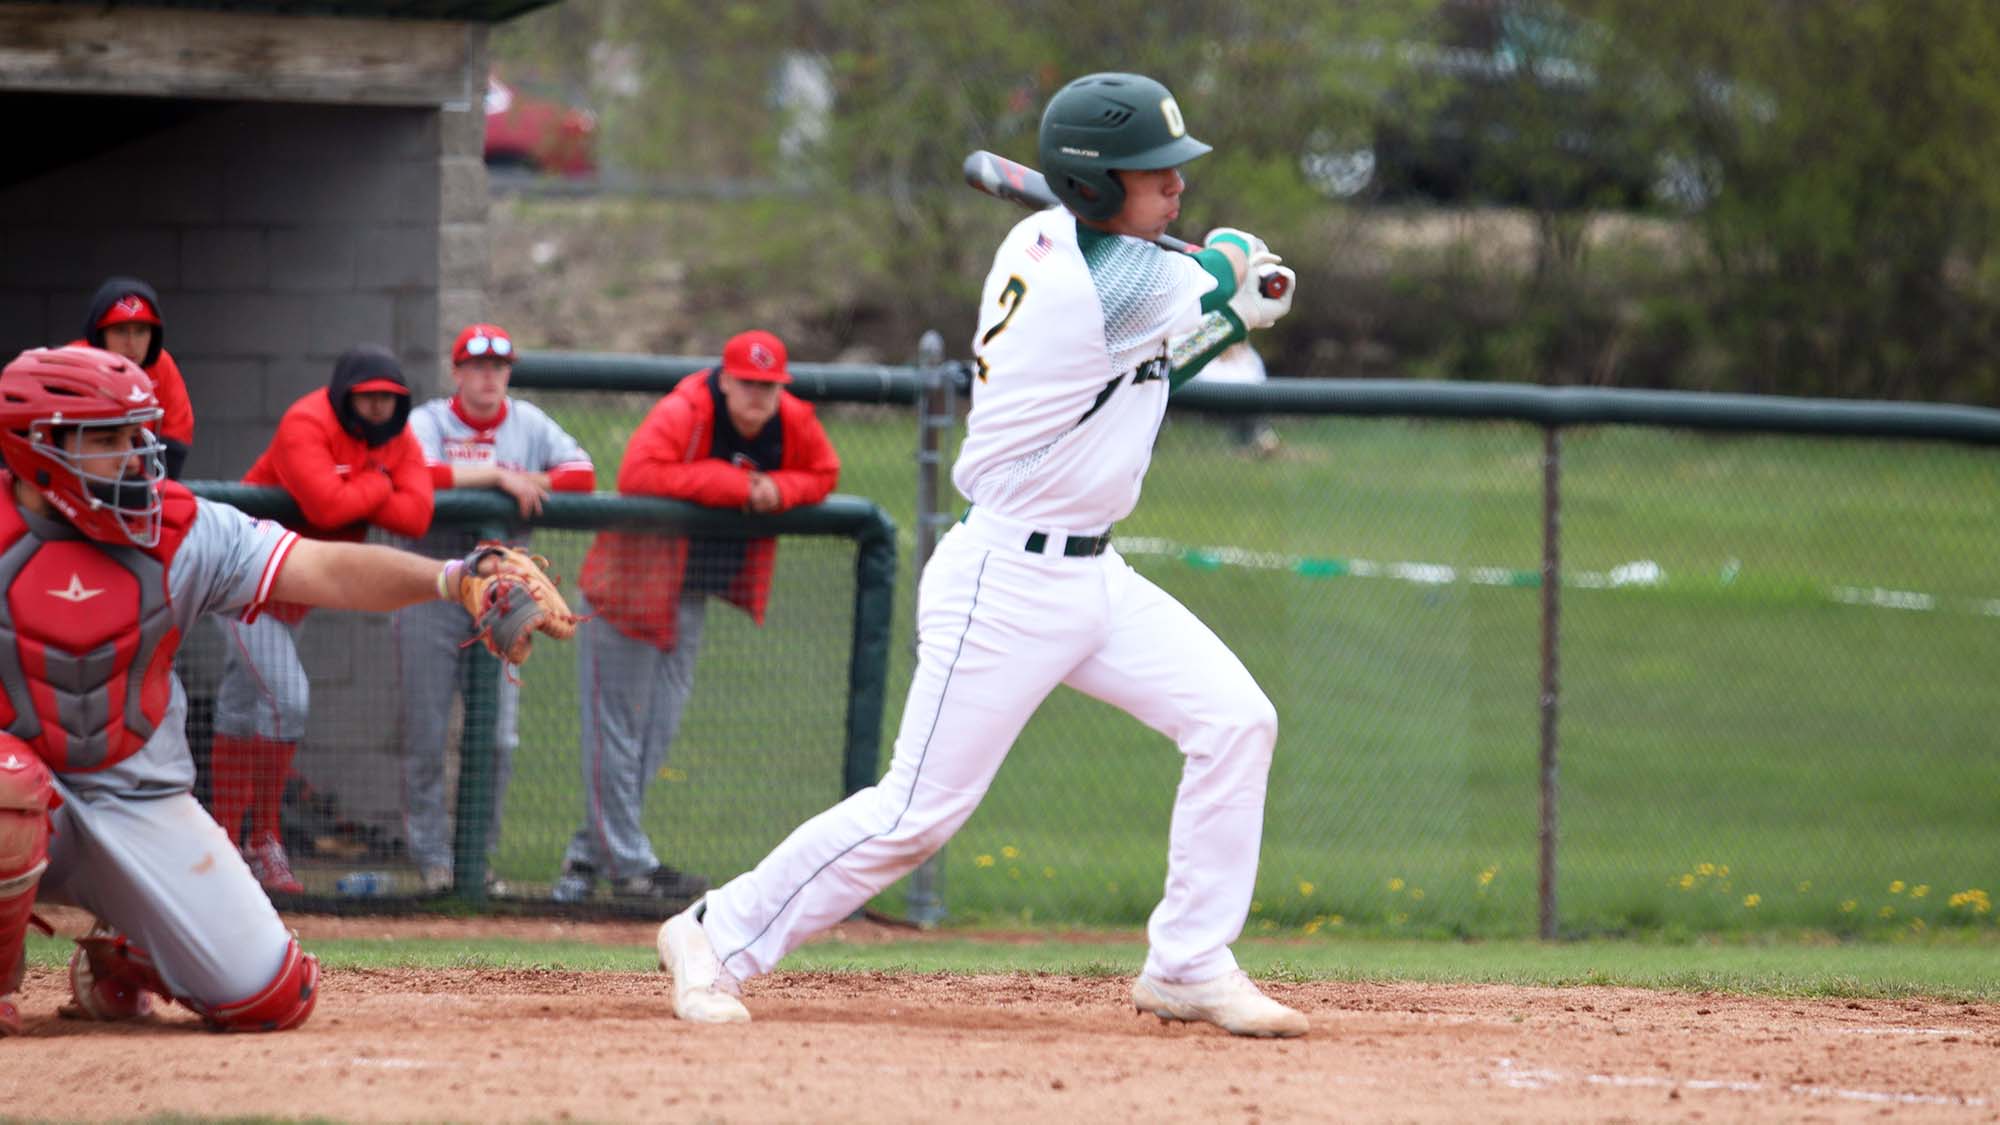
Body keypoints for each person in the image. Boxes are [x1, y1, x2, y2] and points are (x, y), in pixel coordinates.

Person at [656, 73, 1304, 1037]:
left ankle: (1189, 962)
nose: (1175, 187)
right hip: (1006, 581)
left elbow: (1155, 359)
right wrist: (1238, 275)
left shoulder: (1043, 241)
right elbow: (1197, 284)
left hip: (1095, 575)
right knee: (917, 809)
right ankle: (716, 932)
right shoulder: (1110, 278)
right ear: (1090, 189)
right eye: (1152, 174)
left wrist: (1226, 305)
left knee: (1236, 720)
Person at [0, 344, 523, 1036]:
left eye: (138, 434)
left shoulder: (180, 527)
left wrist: (454, 578)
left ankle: (124, 956)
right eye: (109, 437)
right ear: (39, 444)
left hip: (135, 796)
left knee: (270, 996)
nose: (136, 456)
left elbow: (325, 569)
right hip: (19, 791)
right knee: (9, 786)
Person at [551, 329, 838, 905]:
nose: (759, 397)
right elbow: (638, 474)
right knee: (618, 733)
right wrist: (739, 486)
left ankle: (587, 857)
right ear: (726, 379)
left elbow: (823, 473)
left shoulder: (793, 420)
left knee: (656, 733)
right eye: (749, 384)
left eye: (770, 386)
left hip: (688, 592)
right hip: (630, 584)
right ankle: (631, 869)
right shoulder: (685, 408)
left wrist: (778, 489)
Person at [209, 346, 434, 893]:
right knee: (289, 699)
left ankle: (222, 843)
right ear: (344, 395)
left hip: (292, 592)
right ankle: (262, 839)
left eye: (389, 398)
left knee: (243, 706)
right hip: (242, 576)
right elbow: (327, 508)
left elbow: (418, 515)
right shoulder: (306, 421)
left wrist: (361, 484)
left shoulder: (398, 439)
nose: (379, 408)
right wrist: (381, 482)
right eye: (368, 396)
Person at [396, 323, 595, 894]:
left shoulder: (527, 421)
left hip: (502, 596)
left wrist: (532, 477)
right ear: (457, 372)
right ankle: (433, 861)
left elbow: (582, 476)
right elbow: (417, 474)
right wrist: (498, 477)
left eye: (499, 367)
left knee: (499, 737)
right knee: (427, 731)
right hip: (431, 583)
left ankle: (476, 862)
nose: (488, 376)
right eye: (477, 366)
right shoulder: (431, 420)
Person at [70, 277, 197, 479]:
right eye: (120, 331)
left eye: (141, 331)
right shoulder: (72, 362)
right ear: (100, 334)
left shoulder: (161, 363)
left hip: (141, 471)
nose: (131, 343)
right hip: (80, 474)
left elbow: (176, 434)